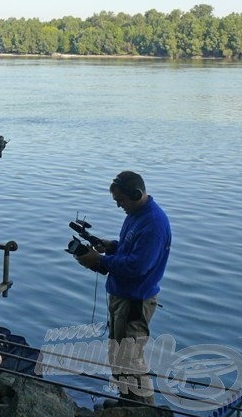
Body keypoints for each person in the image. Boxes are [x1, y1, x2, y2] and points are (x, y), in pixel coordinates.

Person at [76, 171, 171, 407]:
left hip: (135, 301)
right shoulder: (135, 214)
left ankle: (143, 410)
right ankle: (126, 402)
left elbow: (138, 266)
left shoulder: (154, 224)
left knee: (130, 359)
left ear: (136, 194)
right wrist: (111, 247)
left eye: (121, 201)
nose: (120, 206)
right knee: (118, 355)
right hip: (121, 296)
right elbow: (130, 249)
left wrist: (100, 260)